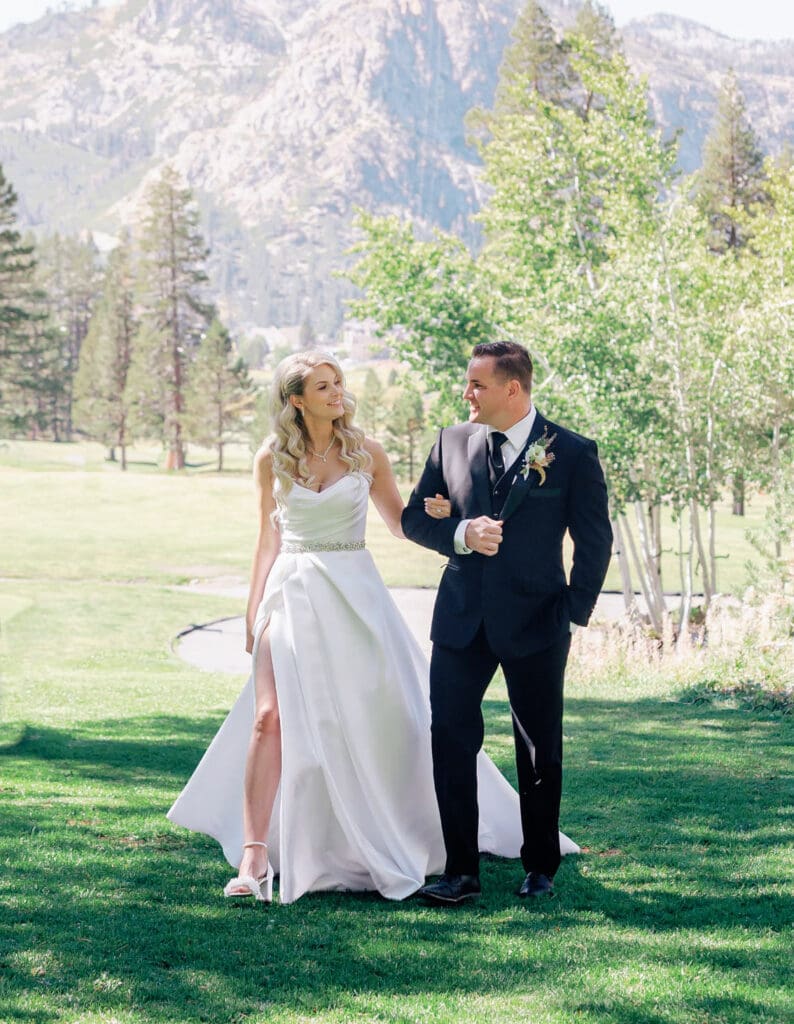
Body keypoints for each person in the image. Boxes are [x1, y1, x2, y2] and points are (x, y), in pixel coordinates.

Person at [167, 350, 578, 904]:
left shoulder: (366, 453)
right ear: (295, 399)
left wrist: (447, 519)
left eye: (338, 383)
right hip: (289, 590)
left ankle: (374, 832)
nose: (336, 393)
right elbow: (266, 539)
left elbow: (401, 523)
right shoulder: (272, 458)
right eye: (322, 386)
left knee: (369, 718)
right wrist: (251, 611)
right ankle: (255, 855)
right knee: (268, 717)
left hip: (353, 594)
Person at [402, 340, 613, 905]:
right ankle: (460, 872)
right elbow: (413, 517)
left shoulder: (570, 451)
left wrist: (574, 608)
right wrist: (459, 534)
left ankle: (540, 866)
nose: (466, 394)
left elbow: (594, 540)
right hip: (460, 619)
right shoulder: (451, 442)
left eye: (477, 384)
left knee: (538, 747)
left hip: (538, 621)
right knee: (449, 737)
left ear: (512, 389)